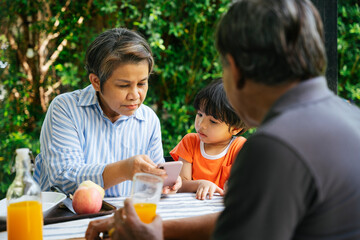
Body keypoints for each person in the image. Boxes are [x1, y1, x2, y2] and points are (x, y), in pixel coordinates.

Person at [85, 0, 360, 239]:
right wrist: (160, 229)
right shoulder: (351, 117)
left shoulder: (274, 147)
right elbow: (246, 223)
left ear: (236, 69)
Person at [34, 28, 181, 197]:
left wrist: (164, 183)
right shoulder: (65, 109)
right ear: (96, 82)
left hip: (125, 217)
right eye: (123, 85)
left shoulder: (148, 119)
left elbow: (152, 180)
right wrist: (123, 170)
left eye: (142, 84)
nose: (135, 95)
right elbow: (62, 181)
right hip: (67, 218)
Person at [170, 79, 247, 200]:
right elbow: (180, 185)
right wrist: (201, 184)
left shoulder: (239, 147)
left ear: (235, 129)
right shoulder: (189, 142)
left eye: (213, 121)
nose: (201, 125)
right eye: (200, 114)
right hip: (188, 209)